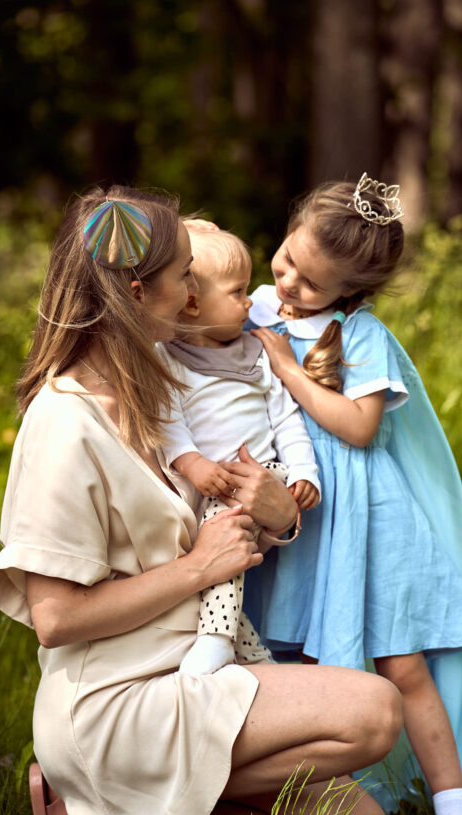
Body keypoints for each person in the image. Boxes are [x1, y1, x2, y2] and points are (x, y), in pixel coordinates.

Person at [0, 185, 404, 815]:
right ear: (136, 291)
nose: (193, 294)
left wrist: (279, 515)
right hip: (121, 700)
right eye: (184, 277)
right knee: (376, 711)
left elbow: (224, 521)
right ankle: (98, 793)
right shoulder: (63, 421)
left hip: (199, 669)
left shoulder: (159, 389)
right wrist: (197, 568)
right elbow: (55, 618)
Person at [244, 173, 462, 815]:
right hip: (299, 521)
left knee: (403, 664)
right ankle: (322, 806)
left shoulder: (358, 333)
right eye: (287, 259)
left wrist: (289, 371)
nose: (289, 283)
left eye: (312, 282)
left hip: (368, 523)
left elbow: (360, 426)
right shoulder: (256, 306)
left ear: (351, 289)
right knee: (292, 659)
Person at [160, 223, 320, 676]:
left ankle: (215, 640)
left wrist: (303, 471)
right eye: (237, 292)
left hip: (261, 474)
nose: (250, 303)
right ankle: (252, 655)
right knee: (212, 576)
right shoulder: (167, 357)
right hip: (209, 481)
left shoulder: (255, 353)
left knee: (223, 534)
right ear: (192, 303)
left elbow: (286, 419)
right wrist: (192, 462)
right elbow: (167, 421)